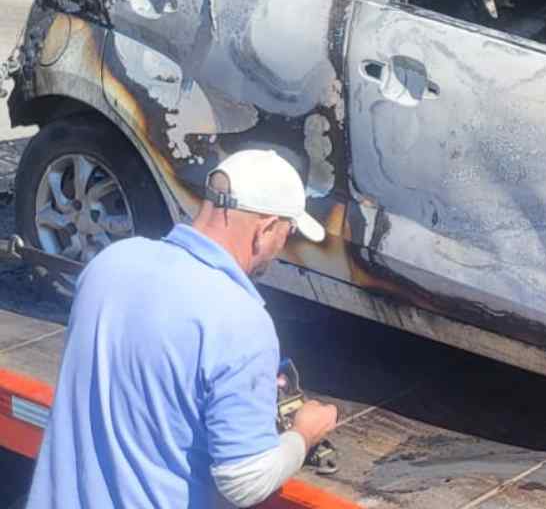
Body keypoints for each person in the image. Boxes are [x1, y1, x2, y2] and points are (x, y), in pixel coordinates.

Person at [27, 149, 339, 508]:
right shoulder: (240, 321)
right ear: (265, 228)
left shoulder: (112, 262)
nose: (282, 247)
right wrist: (303, 433)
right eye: (288, 231)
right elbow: (244, 482)